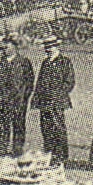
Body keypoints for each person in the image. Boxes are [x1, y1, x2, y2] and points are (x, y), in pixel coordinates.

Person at [32, 36, 75, 166]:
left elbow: (70, 82)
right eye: (47, 47)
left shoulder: (64, 62)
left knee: (58, 128)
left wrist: (57, 94)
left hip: (57, 102)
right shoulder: (46, 62)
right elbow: (39, 82)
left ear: (57, 47)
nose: (49, 49)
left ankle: (61, 156)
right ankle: (49, 153)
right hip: (44, 102)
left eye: (51, 46)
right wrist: (36, 99)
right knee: (46, 128)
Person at [2, 35, 34, 156]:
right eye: (4, 47)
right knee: (3, 125)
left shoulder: (24, 62)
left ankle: (17, 150)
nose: (5, 49)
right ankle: (3, 149)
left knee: (18, 125)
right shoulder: (1, 62)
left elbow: (29, 82)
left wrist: (24, 97)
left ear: (15, 47)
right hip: (3, 100)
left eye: (7, 46)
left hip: (19, 101)